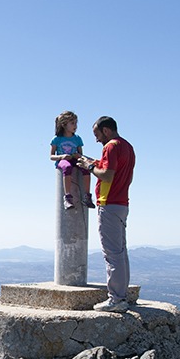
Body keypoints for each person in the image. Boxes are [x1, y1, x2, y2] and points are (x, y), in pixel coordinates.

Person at [78, 116, 136, 312]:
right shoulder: (127, 146)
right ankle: (121, 295)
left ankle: (116, 299)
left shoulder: (111, 146)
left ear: (106, 130)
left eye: (97, 134)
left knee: (112, 254)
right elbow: (117, 171)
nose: (96, 139)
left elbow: (108, 175)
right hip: (121, 204)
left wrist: (90, 167)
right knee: (120, 252)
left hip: (109, 204)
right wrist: (94, 161)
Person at [50, 111, 96, 210]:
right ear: (64, 124)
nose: (75, 126)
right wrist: (61, 156)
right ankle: (68, 197)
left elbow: (81, 155)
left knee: (86, 168)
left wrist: (77, 156)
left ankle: (87, 196)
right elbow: (51, 156)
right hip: (63, 161)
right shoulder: (57, 139)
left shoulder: (77, 138)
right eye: (72, 123)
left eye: (76, 123)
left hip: (74, 159)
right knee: (67, 167)